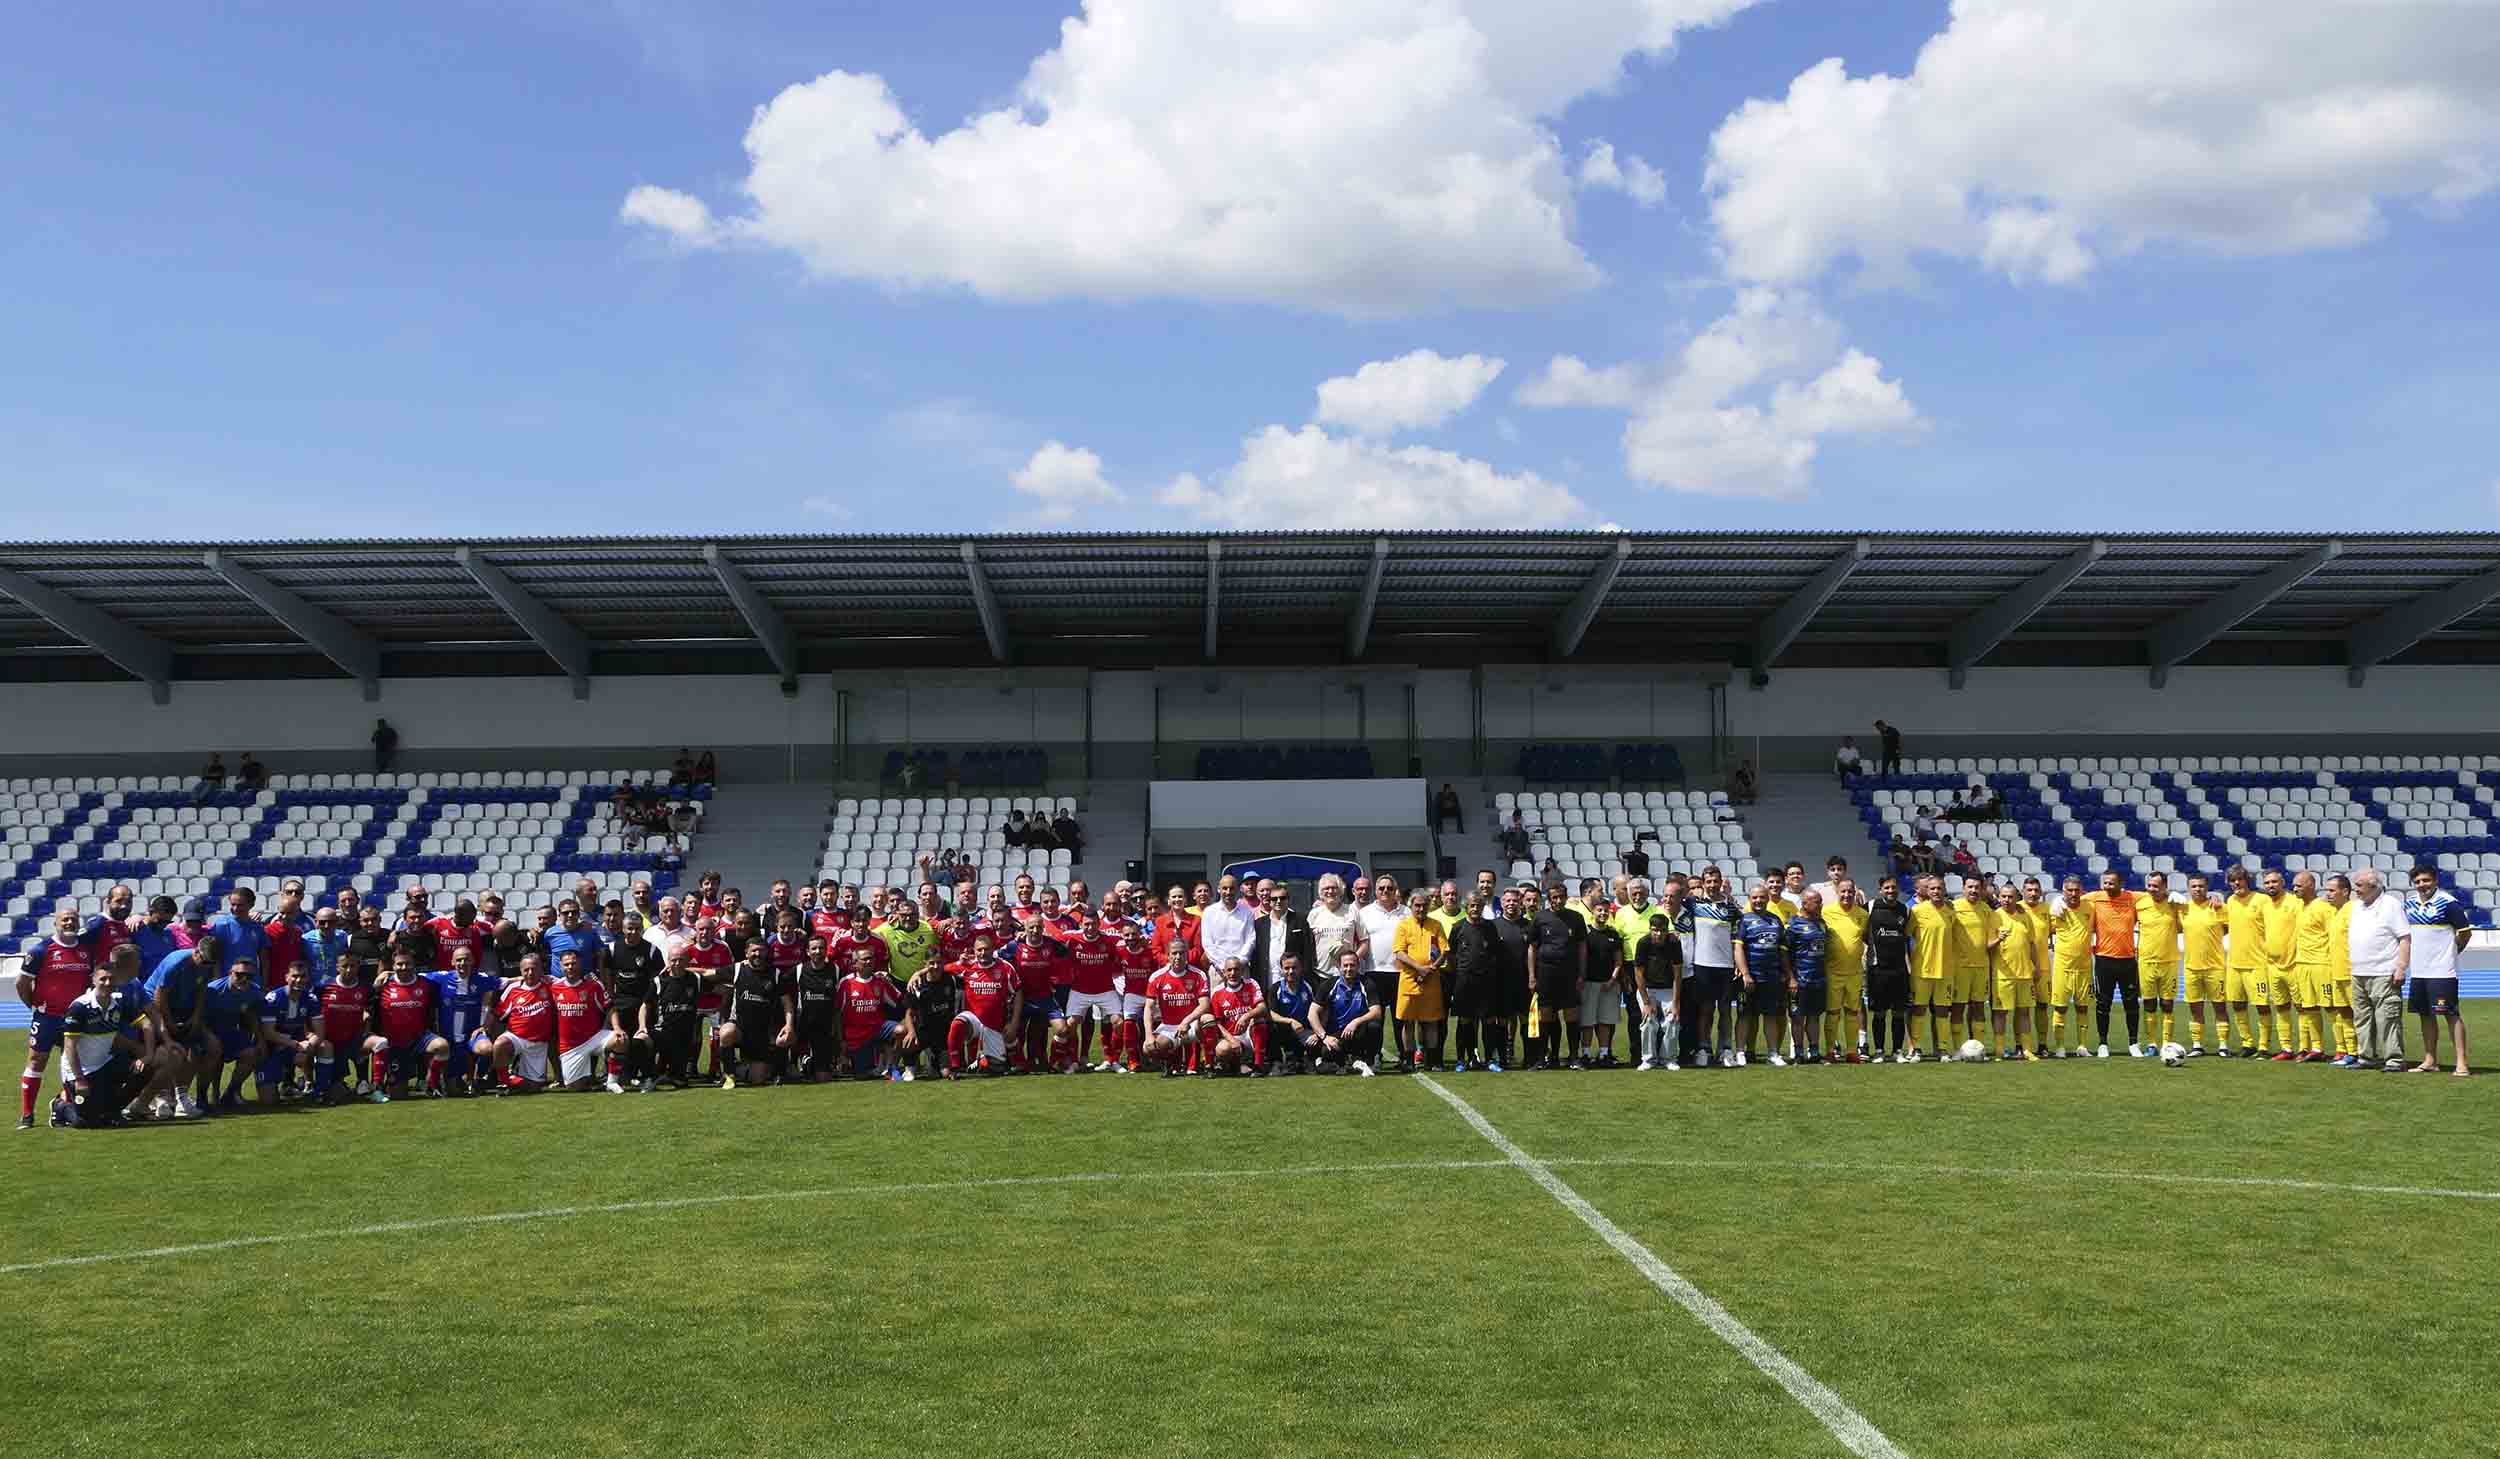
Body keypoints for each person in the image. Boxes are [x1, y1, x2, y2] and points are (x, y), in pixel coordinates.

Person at [17, 905, 99, 1129]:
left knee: (72, 1066)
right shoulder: (41, 950)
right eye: (65, 920)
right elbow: (22, 983)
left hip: (73, 1020)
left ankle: (62, 1108)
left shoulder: (86, 951)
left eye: (73, 919)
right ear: (56, 923)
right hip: (47, 1019)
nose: (69, 923)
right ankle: (27, 1115)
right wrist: (33, 1005)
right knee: (36, 1062)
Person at [2403, 865, 2472, 1076]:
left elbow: (2465, 933)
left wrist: (2452, 952)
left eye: (2426, 880)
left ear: (2435, 881)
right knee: (2425, 1015)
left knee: (2451, 1014)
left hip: (2443, 971)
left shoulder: (2448, 903)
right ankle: (2430, 1060)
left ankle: (2462, 1063)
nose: (2422, 885)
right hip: (2419, 971)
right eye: (2417, 882)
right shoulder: (2409, 904)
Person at [2344, 868, 2410, 1073]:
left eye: (2360, 886)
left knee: (2388, 1016)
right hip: (2358, 971)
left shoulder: (2391, 905)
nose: (2356, 890)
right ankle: (2367, 1056)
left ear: (2374, 886)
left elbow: (2404, 938)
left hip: (2383, 971)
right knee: (2362, 1017)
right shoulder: (2356, 907)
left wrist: (2401, 966)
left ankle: (2394, 1059)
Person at [1675, 867, 1737, 1068]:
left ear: (1721, 882)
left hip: (1726, 966)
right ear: (1702, 884)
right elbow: (1673, 900)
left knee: (1726, 1010)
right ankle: (1703, 1049)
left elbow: (1737, 939)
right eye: (1708, 881)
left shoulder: (1731, 908)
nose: (1712, 885)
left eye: (1715, 881)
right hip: (1702, 965)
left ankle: (1726, 1049)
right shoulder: (1694, 904)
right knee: (1706, 1010)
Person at [2078, 870, 2142, 1058]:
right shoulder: (2095, 898)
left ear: (2121, 883)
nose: (2107, 886)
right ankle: (2103, 1043)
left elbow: (2153, 896)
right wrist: (2058, 901)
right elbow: (2074, 898)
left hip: (2128, 960)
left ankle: (2133, 1043)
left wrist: (2171, 894)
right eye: (2105, 883)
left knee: (2131, 1004)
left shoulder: (2133, 897)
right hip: (2104, 960)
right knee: (2102, 1003)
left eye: (2111, 883)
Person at [717, 940, 792, 1088]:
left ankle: (743, 1067)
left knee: (758, 1079)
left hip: (762, 1033)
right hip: (740, 1029)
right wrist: (683, 967)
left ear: (767, 953)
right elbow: (708, 973)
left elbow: (787, 1003)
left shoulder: (775, 974)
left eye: (761, 951)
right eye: (754, 951)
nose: (757, 954)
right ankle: (728, 1074)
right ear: (746, 953)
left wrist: (789, 1025)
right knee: (726, 1032)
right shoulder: (738, 969)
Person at [1391, 887, 1447, 1072]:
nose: (1421, 909)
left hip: (1431, 980)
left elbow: (1444, 951)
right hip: (1409, 980)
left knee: (1431, 1022)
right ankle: (1408, 1060)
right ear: (1411, 906)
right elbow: (1399, 952)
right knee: (1408, 1022)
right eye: (1417, 905)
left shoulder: (1436, 925)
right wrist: (1419, 968)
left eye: (1424, 905)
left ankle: (1432, 1060)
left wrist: (1431, 968)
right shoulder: (1404, 925)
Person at [1732, 882, 1787, 1066]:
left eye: (1762, 897)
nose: (1758, 900)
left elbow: (1782, 950)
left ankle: (1773, 1053)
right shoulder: (1744, 920)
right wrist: (1746, 974)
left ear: (1768, 899)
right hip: (1749, 977)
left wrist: (1783, 972)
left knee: (1770, 1016)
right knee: (1745, 1015)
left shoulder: (1776, 920)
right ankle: (1740, 1051)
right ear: (1749, 899)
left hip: (1771, 977)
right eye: (1755, 897)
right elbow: (1738, 948)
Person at [488, 953, 558, 1092]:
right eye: (526, 970)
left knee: (534, 1088)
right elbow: (497, 1014)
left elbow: (570, 985)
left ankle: (511, 1078)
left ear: (541, 969)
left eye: (534, 969)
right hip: (516, 1038)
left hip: (539, 1043)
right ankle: (503, 1081)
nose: (530, 973)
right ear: (520, 971)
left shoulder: (551, 985)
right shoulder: (513, 988)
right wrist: (485, 1029)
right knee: (500, 1044)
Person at [1141, 941, 1210, 1078]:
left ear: (1187, 955)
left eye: (1182, 953)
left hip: (1192, 1025)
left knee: (1208, 1020)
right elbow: (1148, 1007)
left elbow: (1204, 1005)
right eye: (1174, 953)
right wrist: (1149, 1035)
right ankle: (1170, 1063)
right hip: (1169, 1026)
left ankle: (1211, 1065)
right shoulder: (1157, 977)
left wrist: (1186, 1021)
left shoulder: (1198, 975)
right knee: (1148, 1048)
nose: (1178, 957)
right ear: (1168, 955)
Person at [550, 948, 615, 1092]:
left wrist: (617, 1028)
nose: (570, 967)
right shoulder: (554, 987)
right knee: (574, 1088)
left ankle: (611, 1081)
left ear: (580, 964)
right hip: (570, 1046)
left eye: (573, 963)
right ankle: (589, 1080)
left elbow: (610, 1007)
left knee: (620, 1040)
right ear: (560, 966)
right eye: (566, 964)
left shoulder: (593, 985)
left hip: (593, 1038)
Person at [2134, 871, 2185, 1052]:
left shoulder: (2174, 904)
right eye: (2149, 885)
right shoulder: (2140, 904)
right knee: (2148, 1004)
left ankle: (2166, 1043)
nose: (2152, 889)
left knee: (2167, 1004)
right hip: (2145, 961)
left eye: (2156, 886)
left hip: (2169, 961)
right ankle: (2152, 1044)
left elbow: (2193, 914)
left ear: (2165, 886)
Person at [1862, 876, 1912, 1063]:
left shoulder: (1904, 910)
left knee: (1899, 1012)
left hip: (1899, 969)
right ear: (1880, 889)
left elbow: (1906, 938)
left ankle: (1898, 1051)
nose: (1891, 891)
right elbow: (1859, 930)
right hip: (1878, 969)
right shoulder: (1870, 906)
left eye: (1894, 888)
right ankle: (1880, 1051)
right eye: (1887, 888)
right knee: (1880, 1012)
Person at [1987, 884, 2039, 1061]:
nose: (2006, 900)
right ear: (1999, 897)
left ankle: (2026, 1049)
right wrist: (1997, 939)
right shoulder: (1993, 917)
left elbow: (2031, 943)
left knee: (2024, 1012)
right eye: (2003, 896)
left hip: (2024, 973)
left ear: (2017, 897)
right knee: (2001, 1012)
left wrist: (2036, 966)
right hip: (2003, 974)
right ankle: (2000, 1050)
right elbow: (1985, 946)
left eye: (2010, 897)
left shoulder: (2025, 916)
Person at [1820, 880, 1870, 1064]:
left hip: (1855, 972)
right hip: (1833, 971)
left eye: (1850, 891)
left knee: (1852, 1012)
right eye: (1843, 891)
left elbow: (1866, 938)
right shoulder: (1826, 912)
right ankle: (1830, 1050)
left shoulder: (1863, 915)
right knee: (1833, 1013)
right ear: (1837, 892)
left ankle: (1851, 1051)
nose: (1847, 895)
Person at [2179, 874, 2228, 1057]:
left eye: (2201, 886)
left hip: (2215, 967)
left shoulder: (2218, 907)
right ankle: (2197, 1045)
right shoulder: (2183, 909)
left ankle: (2223, 1045)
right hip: (2191, 967)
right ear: (2189, 888)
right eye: (2194, 886)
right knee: (2195, 1009)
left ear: (2207, 888)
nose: (2197, 889)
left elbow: (2228, 927)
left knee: (2220, 1007)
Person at [1314, 950, 1380, 1076]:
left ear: (1358, 966)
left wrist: (1356, 1021)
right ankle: (1346, 1063)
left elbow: (1377, 1012)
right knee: (1326, 1052)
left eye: (1352, 965)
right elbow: (1312, 1013)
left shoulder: (1366, 983)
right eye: (1345, 965)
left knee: (1374, 1026)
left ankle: (1369, 1061)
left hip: (1358, 1032)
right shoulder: (1330, 984)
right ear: (1339, 966)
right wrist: (1324, 1037)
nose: (1349, 969)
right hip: (1337, 1033)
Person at [1259, 951, 1323, 1074]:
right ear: (1281, 969)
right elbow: (1270, 1014)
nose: (1291, 971)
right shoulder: (1275, 988)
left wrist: (1318, 1032)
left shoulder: (1310, 985)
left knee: (1318, 1045)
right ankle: (1276, 1062)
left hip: (1307, 1029)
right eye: (1287, 968)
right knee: (1270, 1027)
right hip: (1285, 1030)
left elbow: (1322, 1010)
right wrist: (1290, 1021)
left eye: (1294, 968)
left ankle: (1306, 1060)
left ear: (1301, 968)